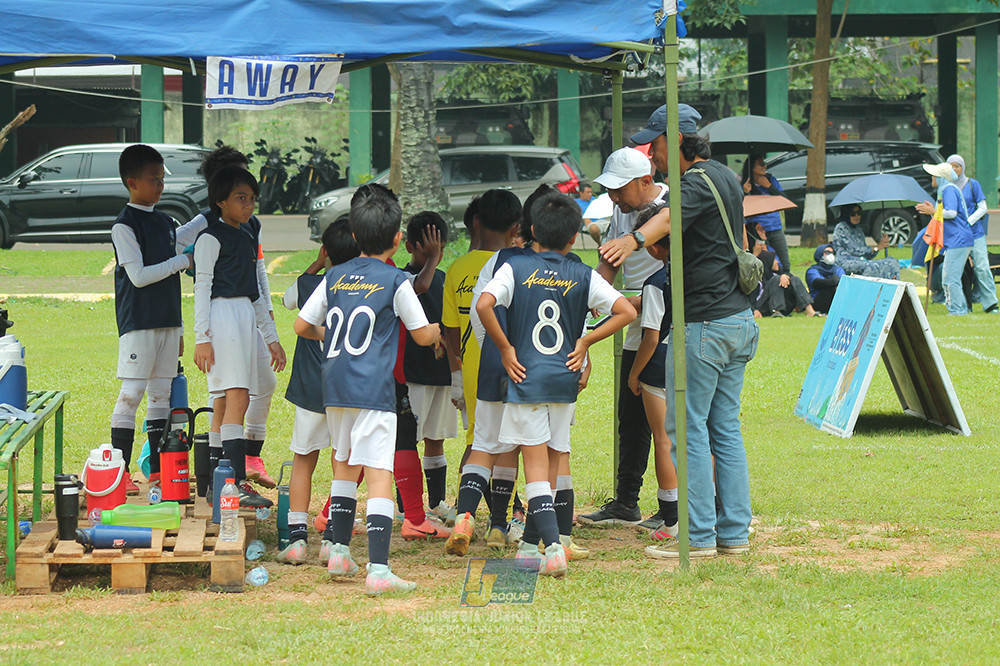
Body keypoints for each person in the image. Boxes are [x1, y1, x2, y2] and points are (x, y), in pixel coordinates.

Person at [600, 102, 759, 559]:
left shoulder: (692, 183)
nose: (653, 153)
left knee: (685, 429)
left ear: (678, 139)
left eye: (657, 142)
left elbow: (668, 220)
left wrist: (631, 239)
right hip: (738, 320)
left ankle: (699, 537)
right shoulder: (726, 177)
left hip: (706, 324)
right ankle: (732, 533)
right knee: (724, 428)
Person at [474, 192, 636, 576]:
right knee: (550, 465)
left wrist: (506, 347)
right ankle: (532, 547)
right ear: (574, 236)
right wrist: (586, 341)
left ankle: (553, 550)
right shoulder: (583, 273)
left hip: (526, 377)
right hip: (564, 378)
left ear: (531, 231)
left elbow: (484, 305)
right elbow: (627, 310)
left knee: (535, 471)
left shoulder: (515, 267)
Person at [294, 187, 441, 595]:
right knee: (378, 473)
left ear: (355, 237)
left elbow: (302, 327)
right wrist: (434, 333)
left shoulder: (335, 275)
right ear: (397, 240)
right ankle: (378, 570)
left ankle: (338, 550)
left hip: (334, 386)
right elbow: (421, 333)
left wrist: (331, 334)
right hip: (372, 390)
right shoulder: (396, 279)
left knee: (343, 464)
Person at [183, 146, 286, 491]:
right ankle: (235, 480)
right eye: (241, 198)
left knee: (229, 400)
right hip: (222, 316)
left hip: (243, 314)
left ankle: (215, 480)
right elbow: (202, 288)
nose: (249, 205)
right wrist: (202, 337)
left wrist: (271, 338)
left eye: (252, 198)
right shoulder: (209, 237)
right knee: (236, 396)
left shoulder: (246, 234)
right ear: (220, 200)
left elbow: (256, 290)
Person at [577, 146, 666, 528]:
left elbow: (667, 275)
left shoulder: (673, 204)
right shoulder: (620, 211)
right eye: (610, 189)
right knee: (631, 420)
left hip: (666, 329)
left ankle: (672, 507)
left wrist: (627, 300)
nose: (614, 196)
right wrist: (595, 298)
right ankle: (627, 501)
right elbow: (608, 267)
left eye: (621, 189)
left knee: (667, 424)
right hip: (635, 326)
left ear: (646, 182)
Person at [109, 144, 193, 494]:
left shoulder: (165, 221)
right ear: (132, 183)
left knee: (161, 396)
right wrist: (183, 262)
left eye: (161, 179)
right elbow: (140, 276)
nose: (159, 186)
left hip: (168, 321)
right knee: (131, 395)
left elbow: (184, 238)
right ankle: (119, 470)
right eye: (152, 179)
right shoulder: (124, 226)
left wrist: (182, 328)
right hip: (138, 323)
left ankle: (158, 470)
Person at [277, 220, 359, 564]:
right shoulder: (360, 286)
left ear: (326, 251)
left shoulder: (309, 283)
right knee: (343, 461)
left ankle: (296, 540)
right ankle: (332, 538)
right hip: (345, 388)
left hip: (310, 389)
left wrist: (316, 262)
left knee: (303, 461)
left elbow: (286, 300)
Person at [440, 191, 523, 523]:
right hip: (514, 367)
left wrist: (456, 375)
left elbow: (448, 330)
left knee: (480, 442)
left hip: (473, 369)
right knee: (507, 445)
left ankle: (474, 513)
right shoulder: (518, 264)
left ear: (475, 222)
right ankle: (501, 514)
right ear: (517, 227)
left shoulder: (457, 268)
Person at [400, 211, 456, 539]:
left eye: (438, 250)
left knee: (436, 439)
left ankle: (436, 503)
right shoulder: (404, 278)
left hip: (442, 373)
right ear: (410, 247)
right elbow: (420, 287)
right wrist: (431, 261)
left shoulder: (445, 278)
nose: (433, 257)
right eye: (426, 251)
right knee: (409, 439)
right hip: (414, 372)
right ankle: (406, 506)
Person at [625, 204, 678, 539]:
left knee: (663, 438)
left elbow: (651, 335)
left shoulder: (656, 280)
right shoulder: (695, 271)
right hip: (698, 359)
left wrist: (634, 374)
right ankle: (714, 507)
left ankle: (670, 516)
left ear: (654, 245)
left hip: (659, 366)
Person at [916, 162, 974, 315]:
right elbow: (943, 214)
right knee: (950, 277)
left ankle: (958, 309)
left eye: (934, 175)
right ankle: (960, 308)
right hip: (955, 240)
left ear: (941, 177)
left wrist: (933, 210)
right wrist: (933, 211)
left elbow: (951, 213)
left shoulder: (948, 189)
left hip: (958, 240)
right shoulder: (946, 190)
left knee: (950, 277)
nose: (931, 178)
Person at [946, 154, 998, 313]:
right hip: (957, 236)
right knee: (957, 271)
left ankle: (990, 304)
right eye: (952, 166)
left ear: (962, 167)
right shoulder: (947, 187)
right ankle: (963, 305)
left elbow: (982, 207)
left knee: (982, 267)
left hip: (975, 233)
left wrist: (968, 221)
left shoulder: (972, 184)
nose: (955, 169)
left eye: (958, 166)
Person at [746, 221, 817, 318]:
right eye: (774, 260)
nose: (776, 262)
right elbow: (749, 296)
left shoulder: (776, 271)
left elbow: (788, 277)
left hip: (783, 304)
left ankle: (810, 310)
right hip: (763, 306)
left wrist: (785, 275)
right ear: (768, 262)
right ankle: (777, 311)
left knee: (793, 279)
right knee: (776, 279)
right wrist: (754, 310)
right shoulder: (757, 278)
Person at [742, 153, 791, 275]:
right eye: (761, 164)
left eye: (765, 163)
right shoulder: (745, 184)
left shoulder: (771, 180)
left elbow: (784, 199)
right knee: (766, 262)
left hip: (775, 227)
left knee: (784, 263)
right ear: (752, 167)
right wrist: (744, 193)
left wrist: (769, 187)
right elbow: (742, 207)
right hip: (756, 230)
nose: (765, 166)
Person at [831, 206, 900, 279]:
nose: (856, 216)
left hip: (861, 261)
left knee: (892, 261)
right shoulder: (841, 228)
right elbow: (854, 250)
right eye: (853, 214)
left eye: (859, 213)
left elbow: (867, 255)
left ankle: (895, 287)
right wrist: (876, 248)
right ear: (846, 214)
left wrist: (880, 245)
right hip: (845, 261)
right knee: (871, 267)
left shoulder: (859, 230)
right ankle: (868, 289)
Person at [805, 244, 846, 314]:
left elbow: (843, 283)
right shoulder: (812, 270)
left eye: (833, 253)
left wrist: (835, 281)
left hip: (835, 299)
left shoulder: (838, 269)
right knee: (831, 288)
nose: (830, 255)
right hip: (818, 300)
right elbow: (816, 283)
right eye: (827, 252)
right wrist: (833, 281)